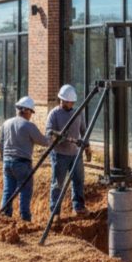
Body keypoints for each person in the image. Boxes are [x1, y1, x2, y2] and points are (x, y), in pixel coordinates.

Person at [0, 96, 50, 222]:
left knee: (8, 191)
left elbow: (0, 144)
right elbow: (44, 141)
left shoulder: (6, 123)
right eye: (31, 112)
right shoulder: (28, 126)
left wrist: (4, 159)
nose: (31, 115)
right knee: (25, 191)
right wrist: (52, 137)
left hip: (7, 162)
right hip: (22, 163)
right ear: (26, 111)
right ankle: (25, 219)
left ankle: (4, 217)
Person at [44, 84, 91, 216]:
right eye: (67, 101)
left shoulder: (78, 113)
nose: (70, 104)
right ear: (62, 100)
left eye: (71, 102)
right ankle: (55, 212)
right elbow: (48, 133)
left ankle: (79, 207)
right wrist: (57, 136)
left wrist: (87, 147)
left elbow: (84, 130)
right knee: (58, 184)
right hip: (60, 155)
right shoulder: (54, 114)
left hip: (76, 154)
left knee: (78, 181)